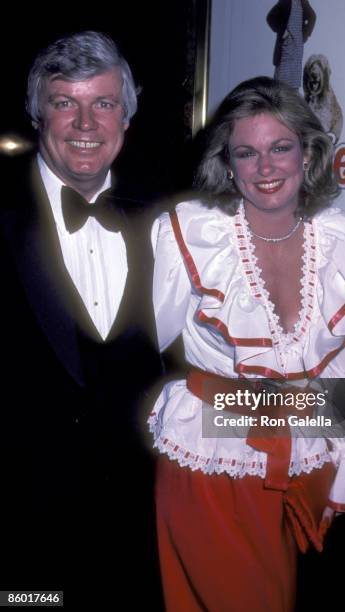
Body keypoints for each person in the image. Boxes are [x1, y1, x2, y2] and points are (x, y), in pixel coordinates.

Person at [149, 76, 345, 611]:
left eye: (281, 147)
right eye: (246, 153)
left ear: (308, 151)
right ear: (227, 163)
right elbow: (144, 343)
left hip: (296, 454)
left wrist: (342, 453)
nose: (266, 167)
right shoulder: (189, 232)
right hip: (207, 453)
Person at [0, 31, 163, 609]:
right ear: (38, 113)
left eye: (104, 103)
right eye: (65, 102)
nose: (86, 122)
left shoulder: (168, 223)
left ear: (127, 115)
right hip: (23, 543)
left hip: (136, 540)